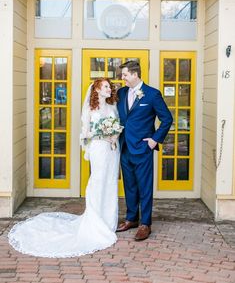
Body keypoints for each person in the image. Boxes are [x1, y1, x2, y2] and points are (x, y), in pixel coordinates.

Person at [8, 78, 121, 258]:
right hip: (99, 148)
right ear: (97, 89)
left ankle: (109, 221)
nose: (109, 89)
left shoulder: (112, 106)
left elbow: (117, 126)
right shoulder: (91, 109)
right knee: (98, 181)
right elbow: (85, 133)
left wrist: (113, 136)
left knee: (110, 182)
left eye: (109, 86)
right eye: (106, 86)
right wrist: (101, 133)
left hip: (112, 150)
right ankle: (95, 221)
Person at [116, 60, 173, 241]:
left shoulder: (152, 94)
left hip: (142, 148)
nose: (122, 78)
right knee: (130, 185)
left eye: (124, 74)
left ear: (135, 74)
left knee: (145, 187)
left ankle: (145, 223)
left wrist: (154, 140)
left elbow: (167, 119)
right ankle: (131, 218)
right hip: (124, 147)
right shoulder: (121, 93)